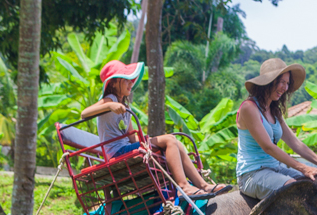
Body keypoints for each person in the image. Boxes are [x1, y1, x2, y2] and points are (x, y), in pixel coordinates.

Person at [81, 60, 230, 197]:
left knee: (175, 142)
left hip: (126, 148)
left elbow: (133, 137)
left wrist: (147, 142)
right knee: (169, 140)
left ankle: (204, 185)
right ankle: (184, 186)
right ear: (113, 84)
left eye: (131, 80)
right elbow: (84, 113)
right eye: (126, 80)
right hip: (116, 152)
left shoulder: (124, 107)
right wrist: (109, 106)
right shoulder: (110, 100)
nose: (130, 83)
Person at [237, 58, 317, 215]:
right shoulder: (249, 108)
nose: (284, 88)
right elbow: (268, 146)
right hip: (252, 173)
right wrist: (301, 168)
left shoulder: (274, 111)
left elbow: (296, 144)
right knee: (292, 188)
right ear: (267, 82)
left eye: (287, 84)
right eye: (281, 82)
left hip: (274, 167)